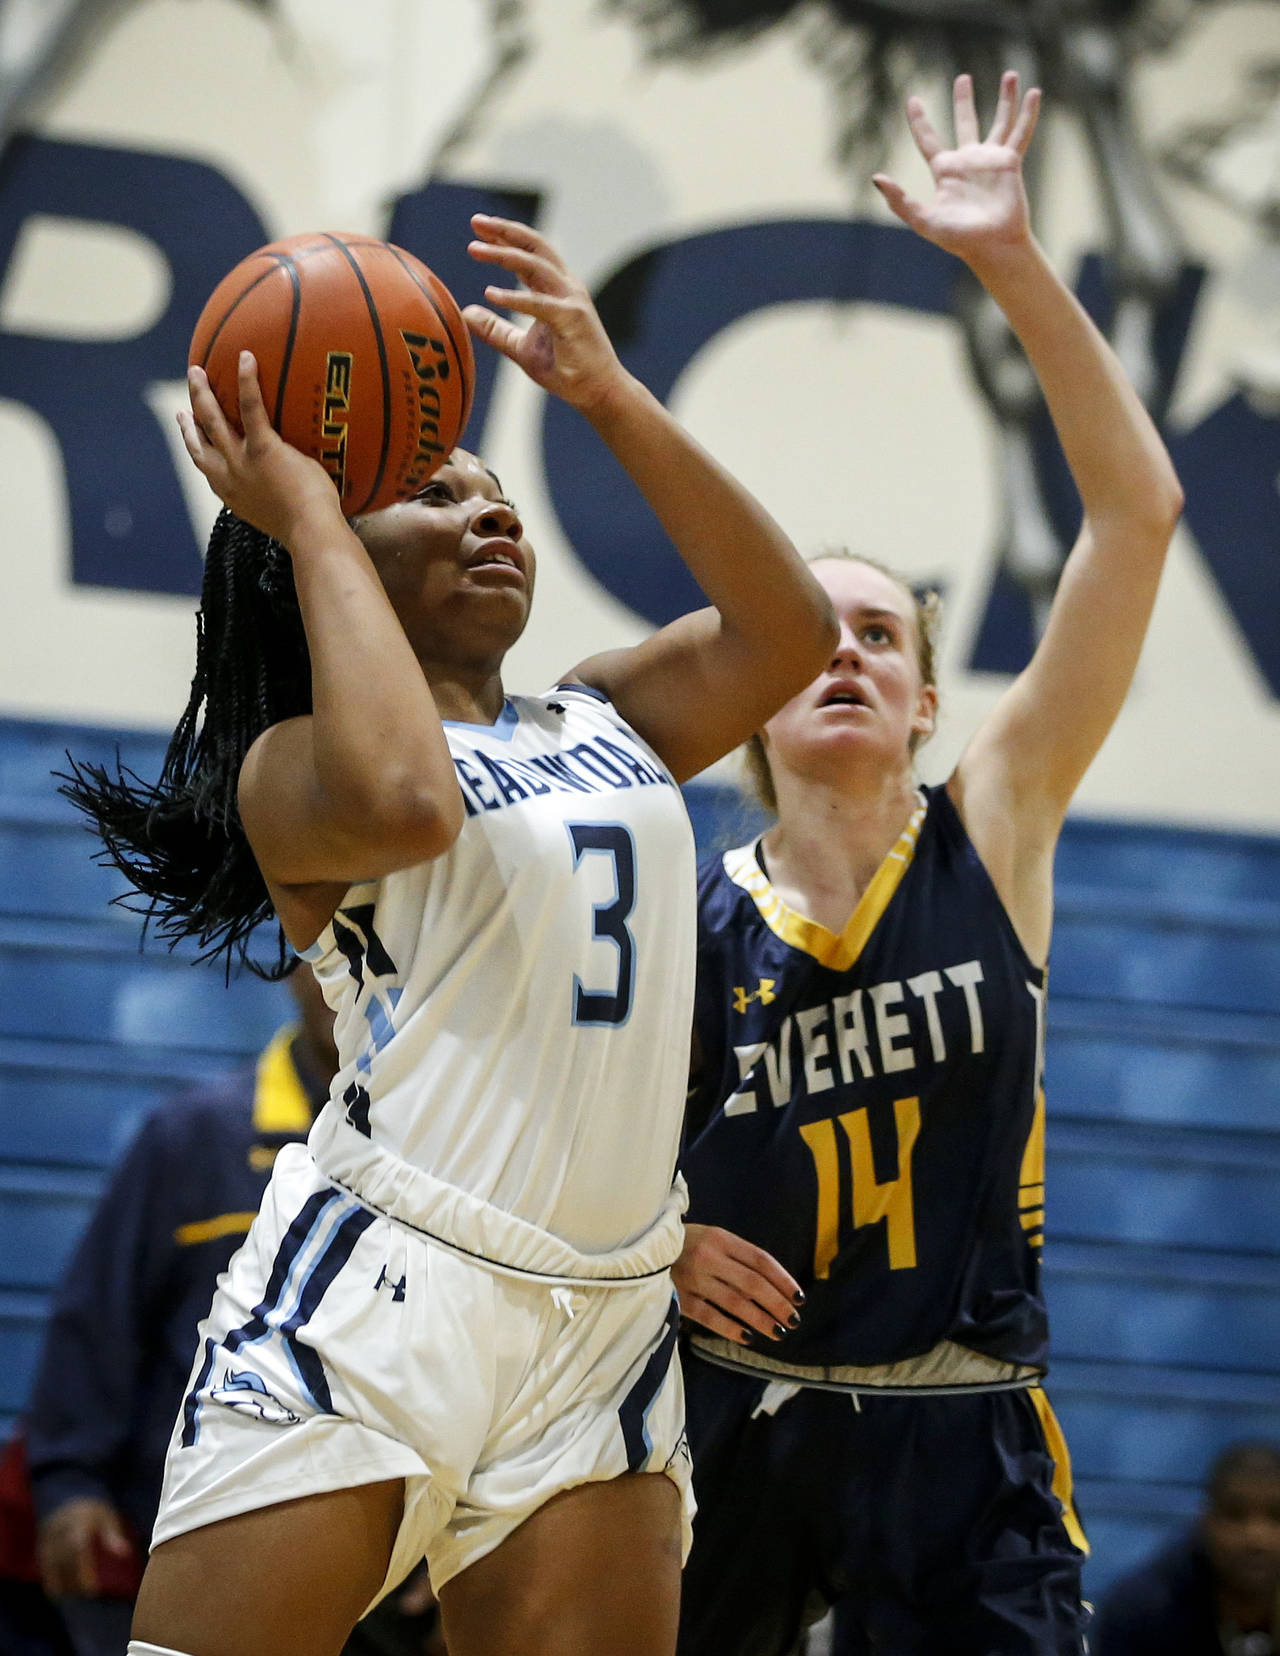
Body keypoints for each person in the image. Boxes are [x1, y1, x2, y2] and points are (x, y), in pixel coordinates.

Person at [60, 211, 837, 1656]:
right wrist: (297, 517)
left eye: (496, 493)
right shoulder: (289, 768)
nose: (489, 511)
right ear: (335, 544)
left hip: (602, 1310)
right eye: (431, 491)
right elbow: (413, 804)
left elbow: (791, 637)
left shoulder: (604, 713)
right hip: (381, 1294)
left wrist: (606, 393)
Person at [670, 70, 1184, 1656]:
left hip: (963, 1434)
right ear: (754, 688)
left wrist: (1013, 265)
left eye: (878, 634)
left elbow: (1140, 512)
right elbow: (562, 1171)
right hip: (728, 1425)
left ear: (926, 702)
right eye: (808, 632)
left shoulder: (997, 821)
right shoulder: (676, 907)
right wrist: (652, 1238)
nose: (842, 654)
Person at [19, 964, 441, 1656]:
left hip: (382, 1573)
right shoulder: (190, 1138)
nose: (360, 986)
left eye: (390, 963)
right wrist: (69, 1484)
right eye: (337, 956)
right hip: (186, 1537)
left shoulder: (449, 1159)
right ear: (297, 964)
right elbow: (96, 1320)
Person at [1092, 1441, 1280, 1656]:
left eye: (1277, 1516)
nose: (1256, 1538)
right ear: (1206, 1521)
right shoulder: (1139, 1613)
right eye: (1234, 1515)